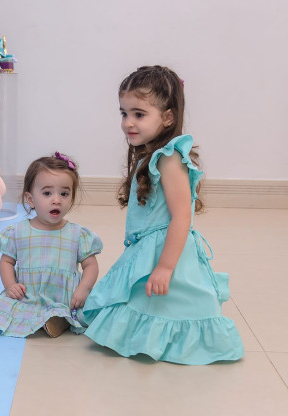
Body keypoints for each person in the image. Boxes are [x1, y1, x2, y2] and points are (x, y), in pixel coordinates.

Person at [83, 65, 244, 364]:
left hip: (167, 249)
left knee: (171, 301)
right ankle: (144, 336)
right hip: (148, 248)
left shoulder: (170, 159)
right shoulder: (152, 154)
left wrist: (166, 267)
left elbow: (181, 218)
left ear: (168, 117)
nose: (128, 123)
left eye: (139, 114)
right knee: (144, 299)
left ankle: (173, 340)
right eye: (124, 113)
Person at [0, 153, 103, 338]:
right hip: (29, 297)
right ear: (31, 199)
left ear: (72, 198)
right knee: (2, 307)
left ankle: (60, 317)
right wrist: (10, 285)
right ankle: (52, 319)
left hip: (67, 298)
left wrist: (84, 289)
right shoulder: (18, 232)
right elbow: (7, 262)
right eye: (47, 193)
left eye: (64, 194)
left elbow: (90, 265)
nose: (56, 200)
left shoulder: (77, 234)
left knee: (98, 310)